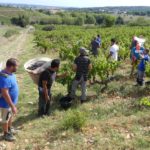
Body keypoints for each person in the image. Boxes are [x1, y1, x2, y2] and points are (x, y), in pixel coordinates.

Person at [0, 58, 19, 142]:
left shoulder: (11, 73)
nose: (17, 68)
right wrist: (12, 105)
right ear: (11, 66)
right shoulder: (4, 78)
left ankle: (9, 128)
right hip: (6, 104)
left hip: (11, 103)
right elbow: (5, 93)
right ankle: (6, 134)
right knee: (5, 119)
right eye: (16, 66)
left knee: (10, 116)